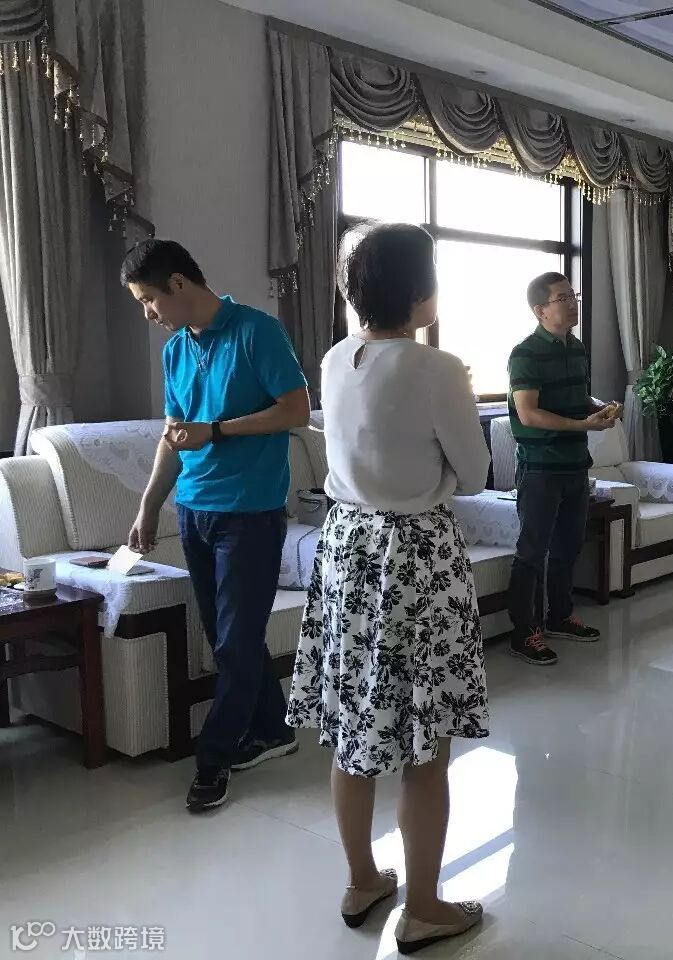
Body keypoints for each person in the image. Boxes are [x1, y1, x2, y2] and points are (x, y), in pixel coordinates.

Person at [285, 223, 491, 950]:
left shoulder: (335, 357)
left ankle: (362, 879)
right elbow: (475, 474)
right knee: (425, 741)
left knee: (354, 726)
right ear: (419, 288)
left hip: (347, 548)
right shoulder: (438, 368)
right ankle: (425, 907)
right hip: (415, 555)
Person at [121, 239, 310, 812]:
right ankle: (273, 730)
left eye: (149, 299)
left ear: (179, 284)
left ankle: (213, 759)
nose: (148, 313)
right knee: (230, 637)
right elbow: (174, 435)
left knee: (234, 641)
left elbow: (296, 409)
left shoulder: (256, 331)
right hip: (194, 509)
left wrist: (219, 430)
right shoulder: (177, 350)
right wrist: (149, 506)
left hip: (250, 512)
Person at [505, 272, 617, 666]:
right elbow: (528, 413)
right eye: (562, 298)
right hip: (540, 468)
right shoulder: (526, 353)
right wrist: (584, 424)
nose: (572, 303)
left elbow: (577, 396)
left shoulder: (576, 347)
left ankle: (559, 617)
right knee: (532, 552)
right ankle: (524, 632)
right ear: (540, 310)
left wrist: (598, 408)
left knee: (568, 547)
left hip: (575, 465)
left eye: (573, 295)